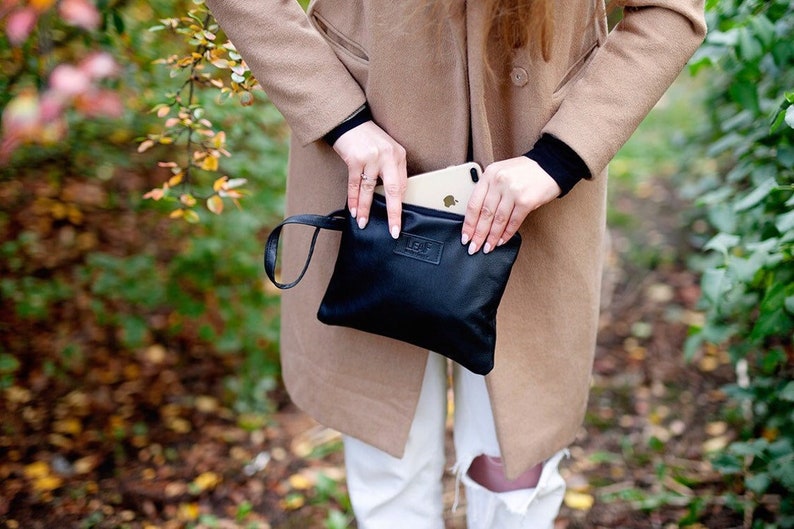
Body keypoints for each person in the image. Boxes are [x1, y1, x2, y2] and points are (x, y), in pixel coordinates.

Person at [204, 1, 707, 527]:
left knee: (516, 464)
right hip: (370, 161)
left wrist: (561, 156)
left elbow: (669, 12)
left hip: (536, 175)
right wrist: (338, 117)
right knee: (386, 453)